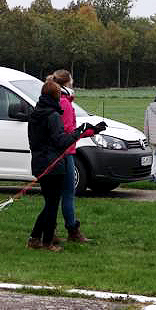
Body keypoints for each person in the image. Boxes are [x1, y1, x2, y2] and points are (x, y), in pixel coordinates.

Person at [27, 79, 104, 252]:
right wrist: (79, 131)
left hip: (40, 162)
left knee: (49, 203)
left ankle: (34, 238)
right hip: (53, 164)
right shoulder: (53, 115)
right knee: (52, 205)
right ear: (56, 96)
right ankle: (47, 242)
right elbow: (61, 141)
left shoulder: (36, 113)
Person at [52, 69, 88, 243]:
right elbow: (67, 131)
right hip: (66, 154)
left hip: (59, 153)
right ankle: (72, 230)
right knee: (67, 194)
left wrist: (87, 132)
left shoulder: (58, 100)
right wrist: (81, 133)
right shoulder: (65, 103)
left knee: (56, 195)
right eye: (72, 79)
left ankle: (52, 230)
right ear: (67, 82)